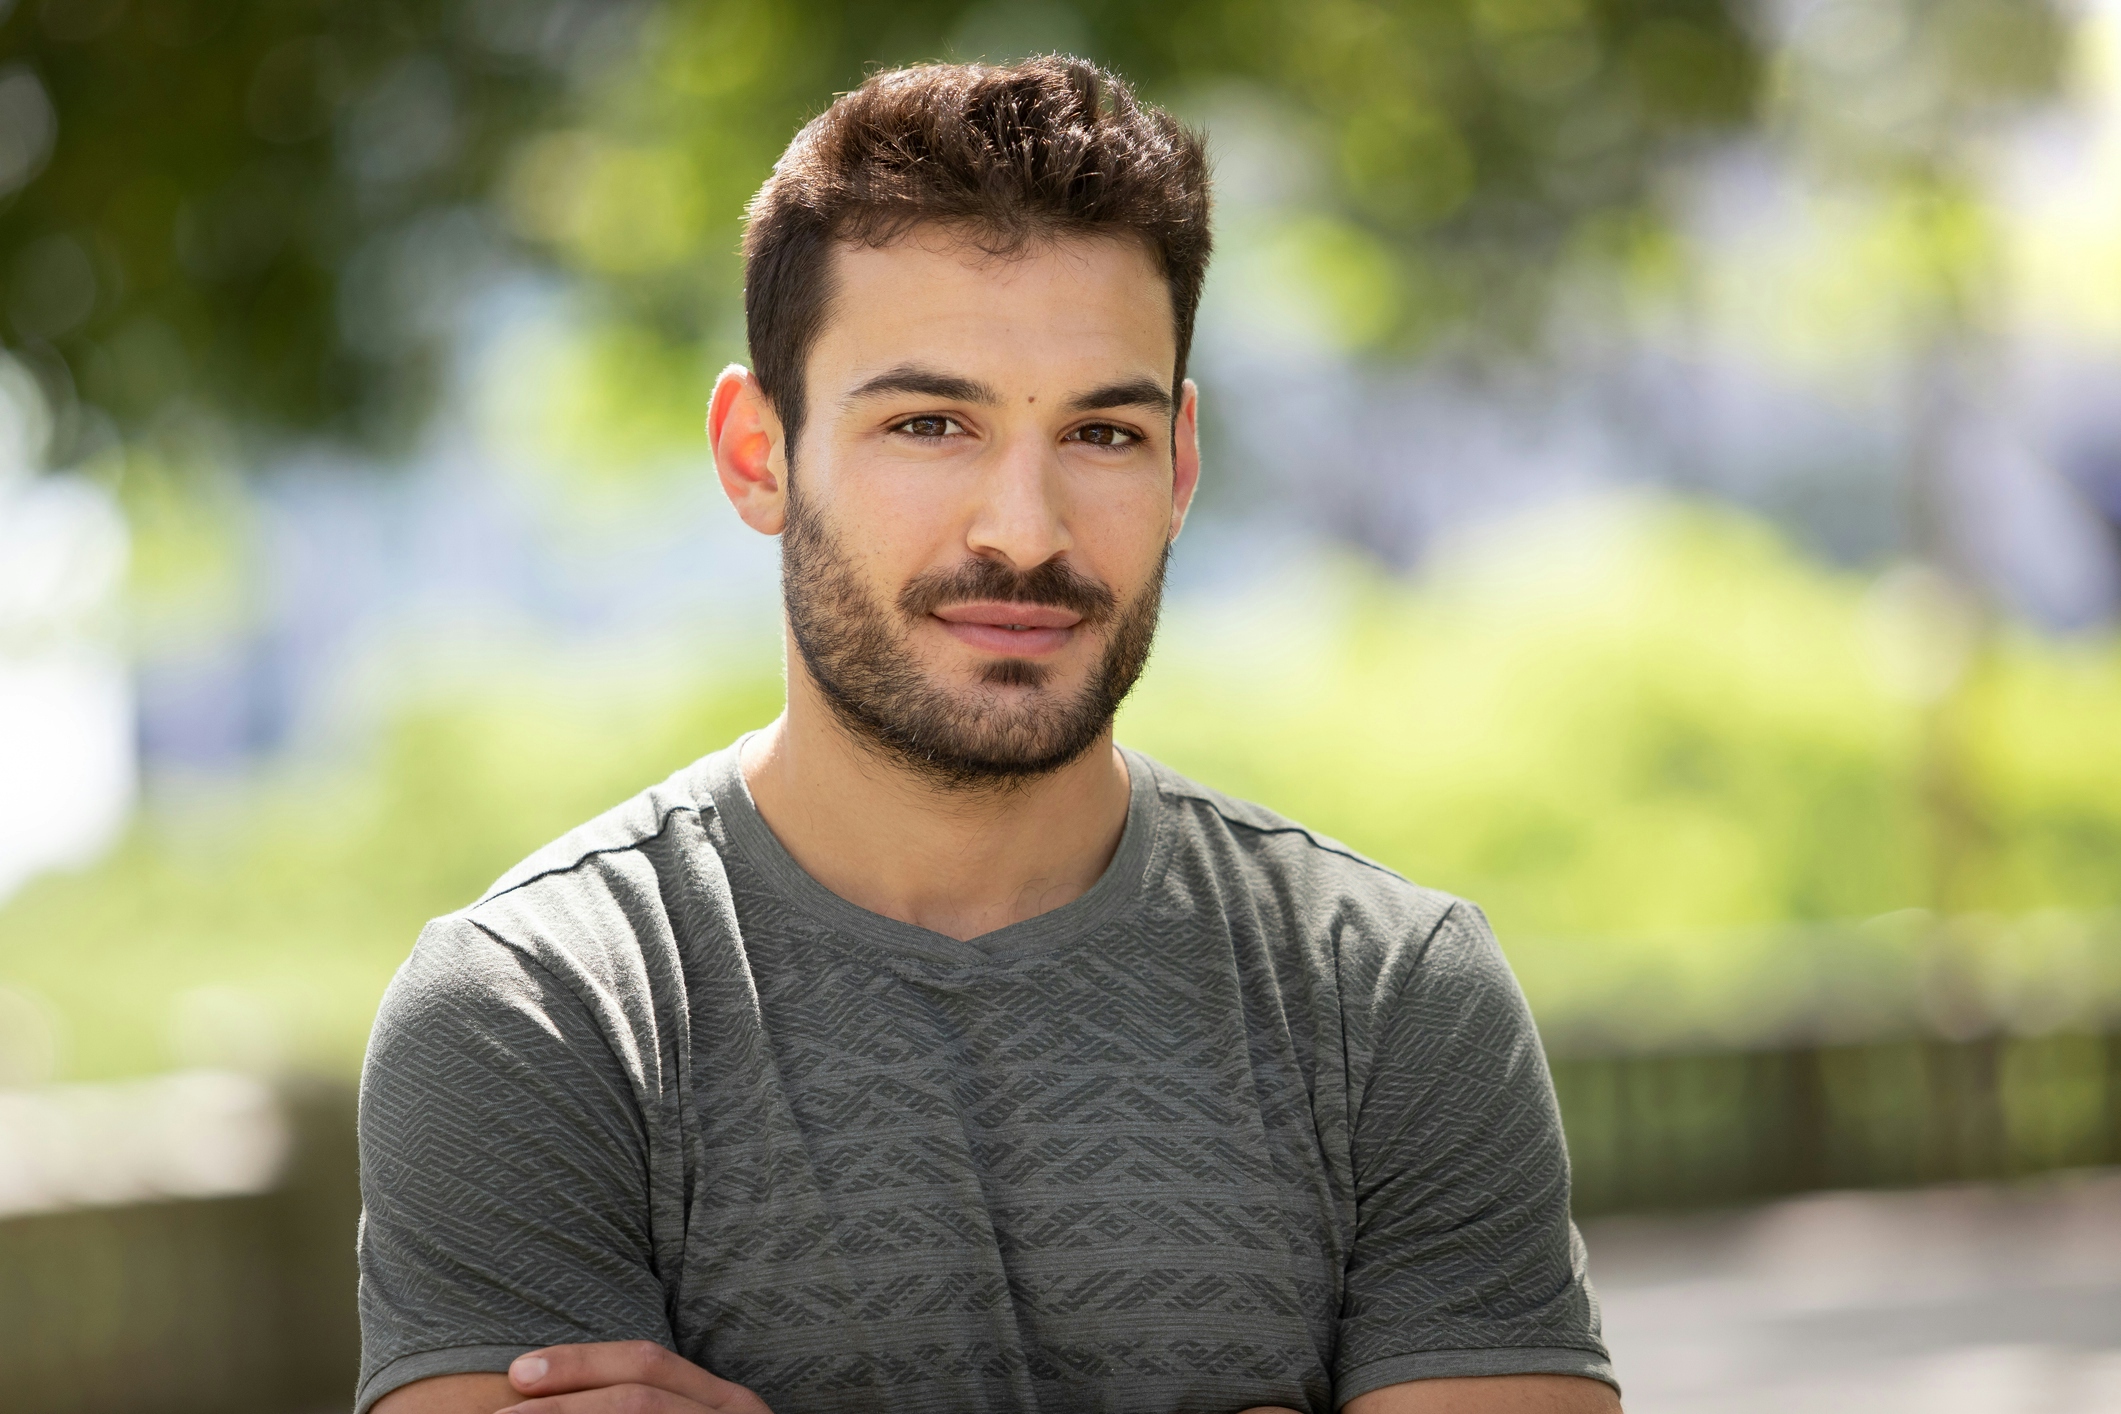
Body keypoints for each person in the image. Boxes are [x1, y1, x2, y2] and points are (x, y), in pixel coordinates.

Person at [356, 56, 1618, 1414]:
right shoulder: (544, 1016)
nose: (1024, 530)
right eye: (930, 423)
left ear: (1180, 466)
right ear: (755, 454)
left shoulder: (1390, 1001)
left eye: (1100, 433)